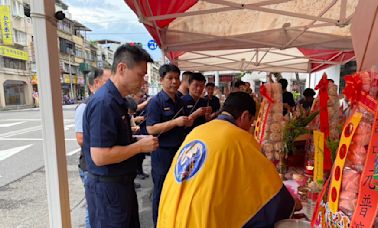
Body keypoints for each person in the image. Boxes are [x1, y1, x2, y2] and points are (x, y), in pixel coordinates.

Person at [158, 92, 295, 227]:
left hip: (171, 212)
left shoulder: (198, 131)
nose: (249, 128)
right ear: (245, 116)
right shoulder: (239, 138)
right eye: (251, 123)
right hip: (200, 217)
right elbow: (267, 187)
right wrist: (289, 203)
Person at [82, 43, 159, 228]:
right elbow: (100, 156)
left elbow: (116, 141)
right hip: (109, 189)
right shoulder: (104, 103)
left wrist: (137, 140)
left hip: (120, 186)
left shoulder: (117, 100)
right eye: (140, 75)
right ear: (122, 68)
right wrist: (140, 147)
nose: (143, 82)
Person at [146, 64, 194, 226]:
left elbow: (183, 123)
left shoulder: (180, 100)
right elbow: (151, 128)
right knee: (160, 191)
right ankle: (158, 223)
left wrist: (187, 122)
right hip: (162, 154)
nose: (174, 82)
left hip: (180, 152)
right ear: (161, 80)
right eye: (170, 78)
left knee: (177, 188)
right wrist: (176, 122)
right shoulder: (155, 102)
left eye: (176, 78)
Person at [74, 68, 111, 228]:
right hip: (89, 166)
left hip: (101, 167)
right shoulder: (85, 107)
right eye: (108, 82)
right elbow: (80, 138)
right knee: (93, 209)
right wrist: (103, 144)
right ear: (96, 83)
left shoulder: (105, 103)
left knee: (103, 208)